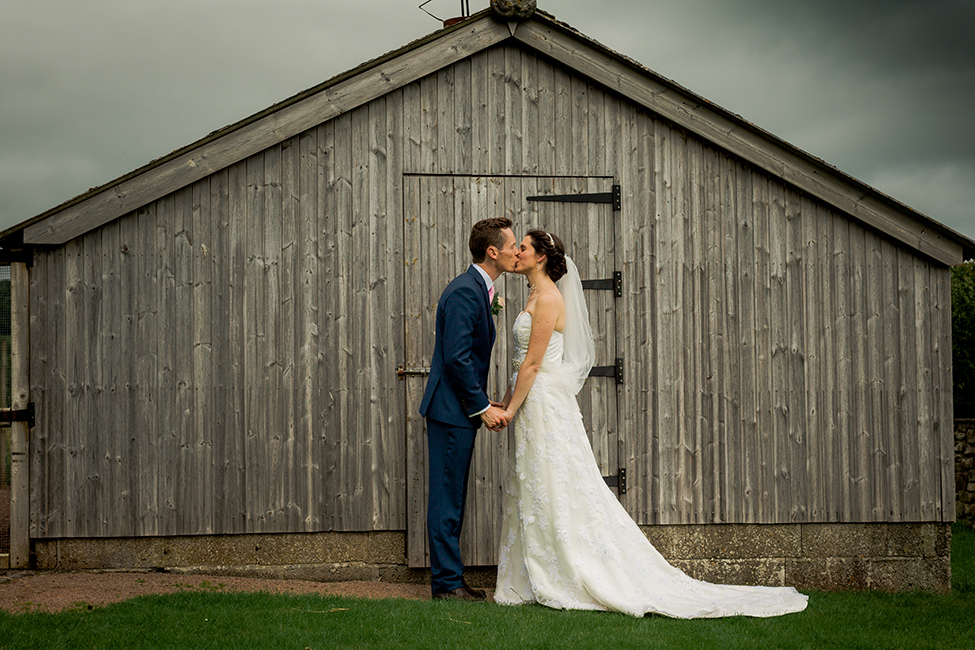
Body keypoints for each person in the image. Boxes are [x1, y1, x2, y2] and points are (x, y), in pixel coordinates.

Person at [492, 230, 808, 618]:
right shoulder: (532, 295)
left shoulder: (550, 298)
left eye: (523, 247)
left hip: (541, 403)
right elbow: (523, 364)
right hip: (530, 400)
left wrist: (509, 410)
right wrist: (506, 403)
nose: (516, 252)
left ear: (540, 257)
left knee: (554, 481)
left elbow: (535, 364)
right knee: (535, 480)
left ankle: (567, 571)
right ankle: (532, 572)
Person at [419, 217, 519, 601]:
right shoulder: (464, 291)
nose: (516, 252)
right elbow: (457, 358)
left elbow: (466, 360)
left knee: (453, 498)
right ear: (492, 251)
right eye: (511, 246)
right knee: (446, 499)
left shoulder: (480, 288)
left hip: (458, 409)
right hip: (450, 411)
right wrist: (482, 408)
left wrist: (483, 400)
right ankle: (446, 586)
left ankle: (452, 580)